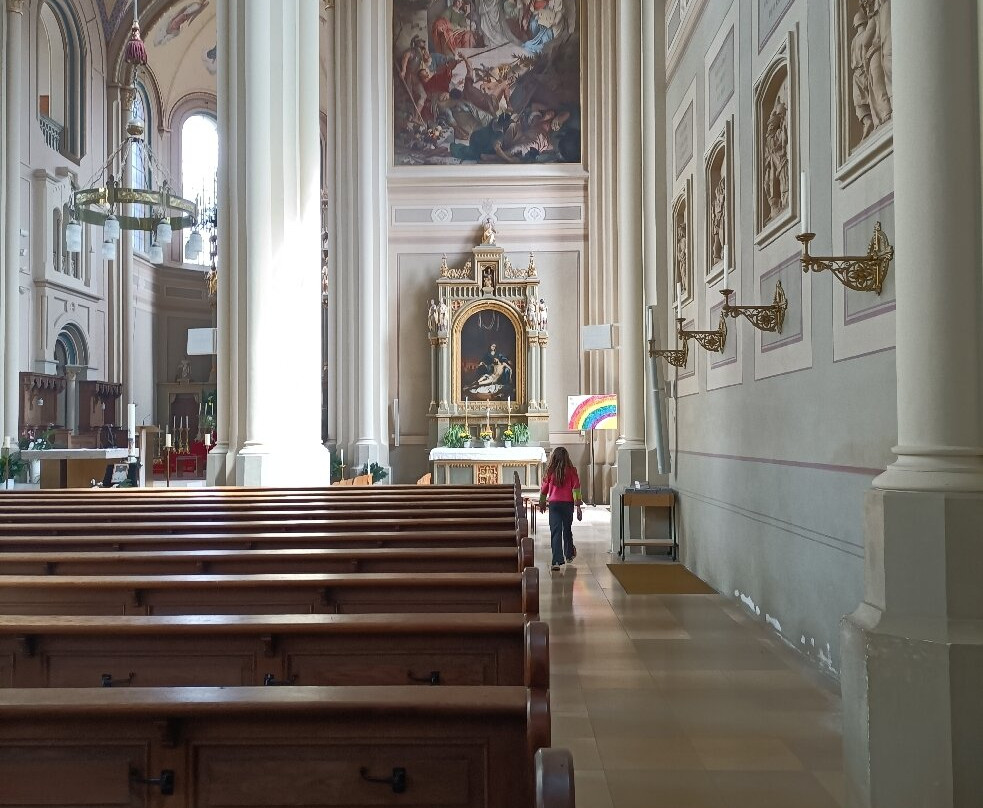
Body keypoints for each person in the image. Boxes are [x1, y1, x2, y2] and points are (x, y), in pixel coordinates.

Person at [538, 447, 583, 571]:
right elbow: (576, 489)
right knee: (567, 530)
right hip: (567, 504)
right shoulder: (572, 471)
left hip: (554, 504)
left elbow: (544, 489)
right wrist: (578, 506)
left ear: (554, 458)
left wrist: (542, 503)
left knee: (556, 531)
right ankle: (569, 555)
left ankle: (557, 560)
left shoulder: (550, 472)